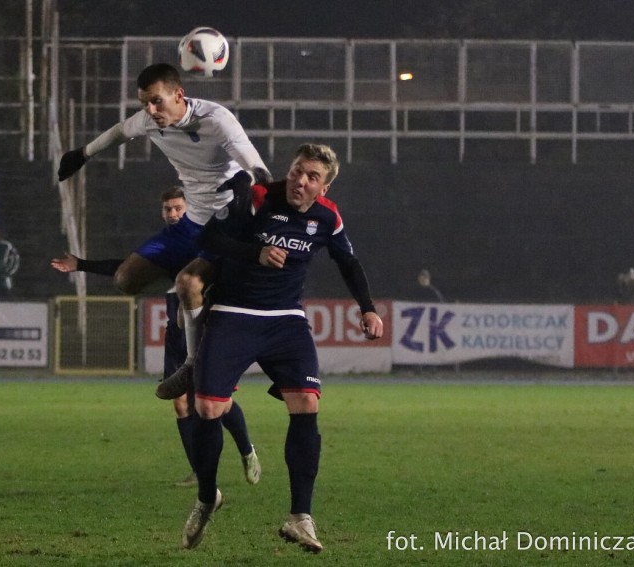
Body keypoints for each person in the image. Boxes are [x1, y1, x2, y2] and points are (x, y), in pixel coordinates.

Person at [180, 143, 385, 553]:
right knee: (207, 410)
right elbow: (211, 238)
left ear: (324, 187)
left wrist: (367, 308)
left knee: (307, 403)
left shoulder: (328, 217)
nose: (300, 181)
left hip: (285, 321)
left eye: (311, 177)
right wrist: (255, 251)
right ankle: (207, 497)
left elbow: (348, 261)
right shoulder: (257, 197)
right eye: (296, 171)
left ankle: (300, 518)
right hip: (234, 313)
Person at [56, 62, 271, 401]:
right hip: (190, 223)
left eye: (156, 101)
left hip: (226, 221)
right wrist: (81, 155)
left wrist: (262, 203)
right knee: (126, 280)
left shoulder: (216, 120)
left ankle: (192, 363)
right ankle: (203, 296)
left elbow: (256, 167)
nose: (150, 110)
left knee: (188, 284)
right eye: (144, 103)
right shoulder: (148, 120)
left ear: (179, 95)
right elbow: (118, 132)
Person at [50, 188, 261, 487]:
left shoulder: (206, 241)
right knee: (179, 403)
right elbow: (124, 266)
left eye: (177, 208)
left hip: (203, 330)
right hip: (176, 332)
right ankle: (201, 472)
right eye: (167, 209)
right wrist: (81, 264)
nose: (172, 214)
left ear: (190, 209)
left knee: (218, 403)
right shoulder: (166, 245)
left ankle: (247, 451)